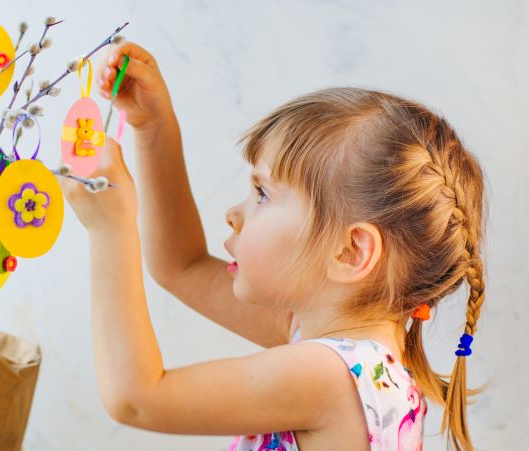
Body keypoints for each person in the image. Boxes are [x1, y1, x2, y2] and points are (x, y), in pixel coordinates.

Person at [58, 42, 488, 451]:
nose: (234, 213)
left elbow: (136, 398)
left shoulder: (328, 376)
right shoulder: (337, 348)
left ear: (350, 252)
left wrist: (109, 231)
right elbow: (181, 266)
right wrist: (152, 126)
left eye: (262, 194)